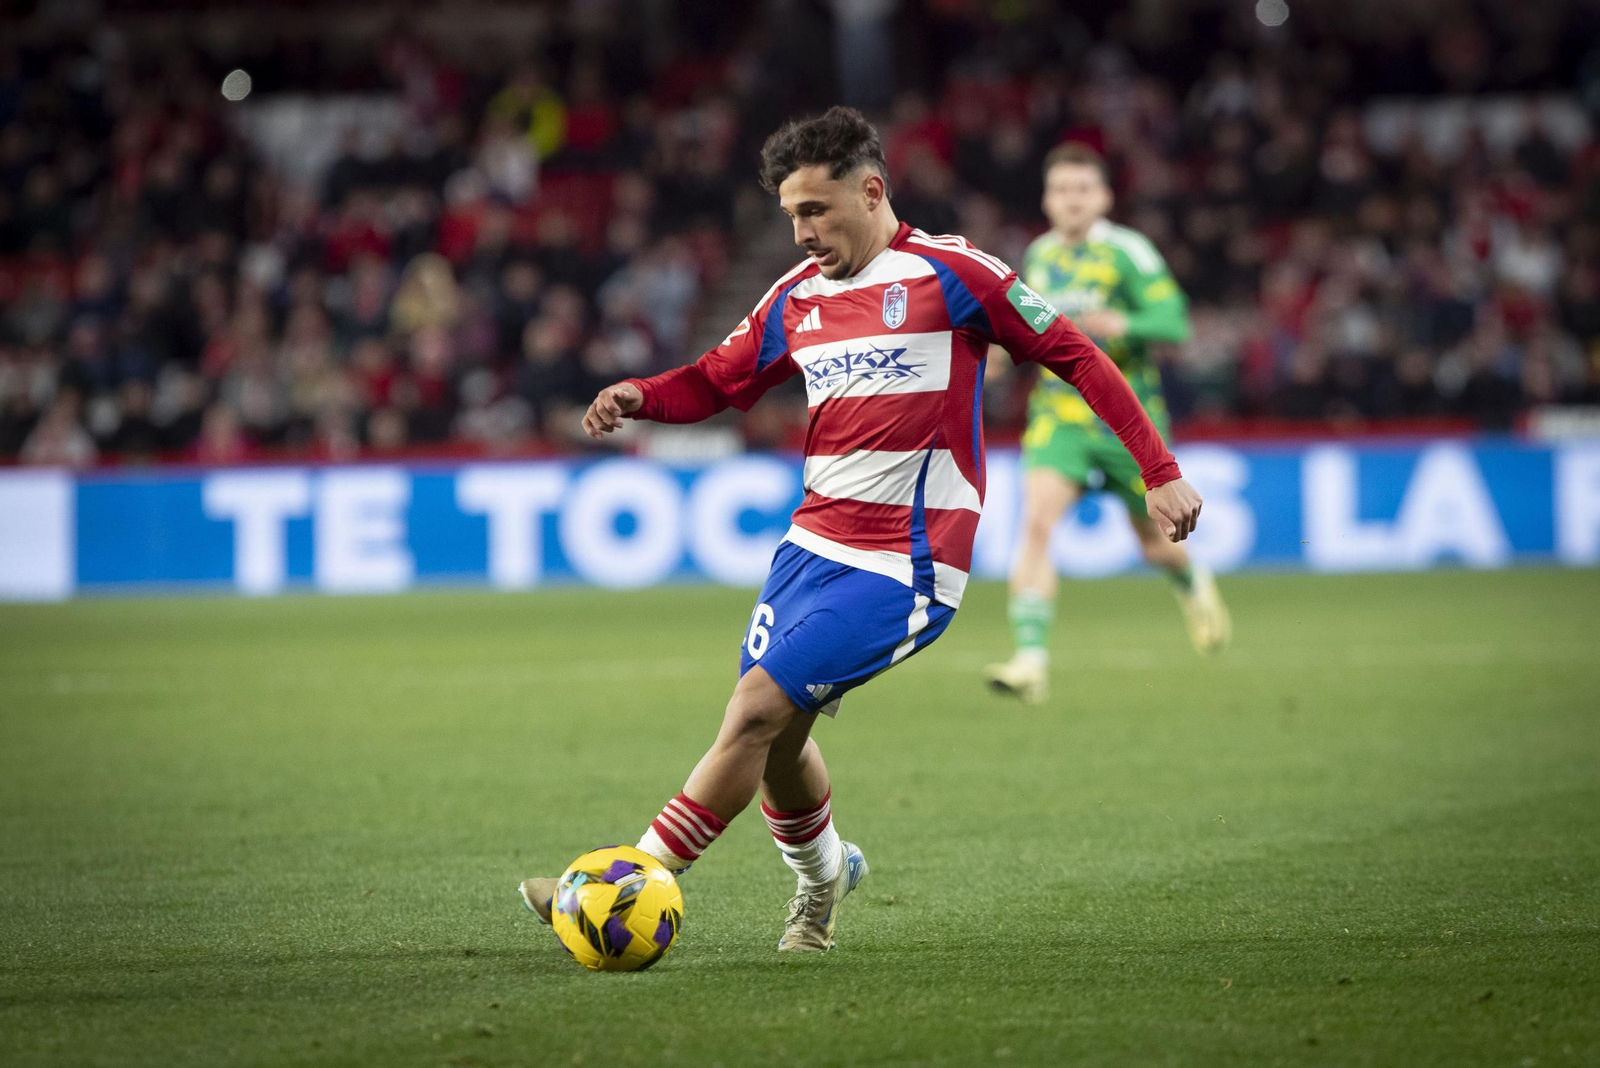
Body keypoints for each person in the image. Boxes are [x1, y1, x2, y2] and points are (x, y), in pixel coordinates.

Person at [518, 108, 1203, 952]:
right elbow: (714, 383)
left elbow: (1076, 354)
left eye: (816, 211)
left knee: (756, 708)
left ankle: (621, 882)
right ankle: (824, 879)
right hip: (808, 551)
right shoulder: (795, 298)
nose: (802, 232)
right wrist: (641, 395)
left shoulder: (953, 273)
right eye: (790, 216)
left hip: (907, 562)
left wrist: (1158, 469)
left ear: (871, 191)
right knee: (776, 741)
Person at [985, 144, 1231, 706]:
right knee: (1038, 526)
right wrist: (1001, 354)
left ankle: (1190, 581)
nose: (1072, 200)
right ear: (1047, 200)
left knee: (1156, 545)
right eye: (1062, 190)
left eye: (1083, 190)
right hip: (1059, 417)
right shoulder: (1039, 255)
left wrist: (1125, 320)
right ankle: (1030, 659)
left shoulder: (1129, 252)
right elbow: (1030, 330)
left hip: (1128, 421)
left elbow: (1175, 322)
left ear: (1104, 197)